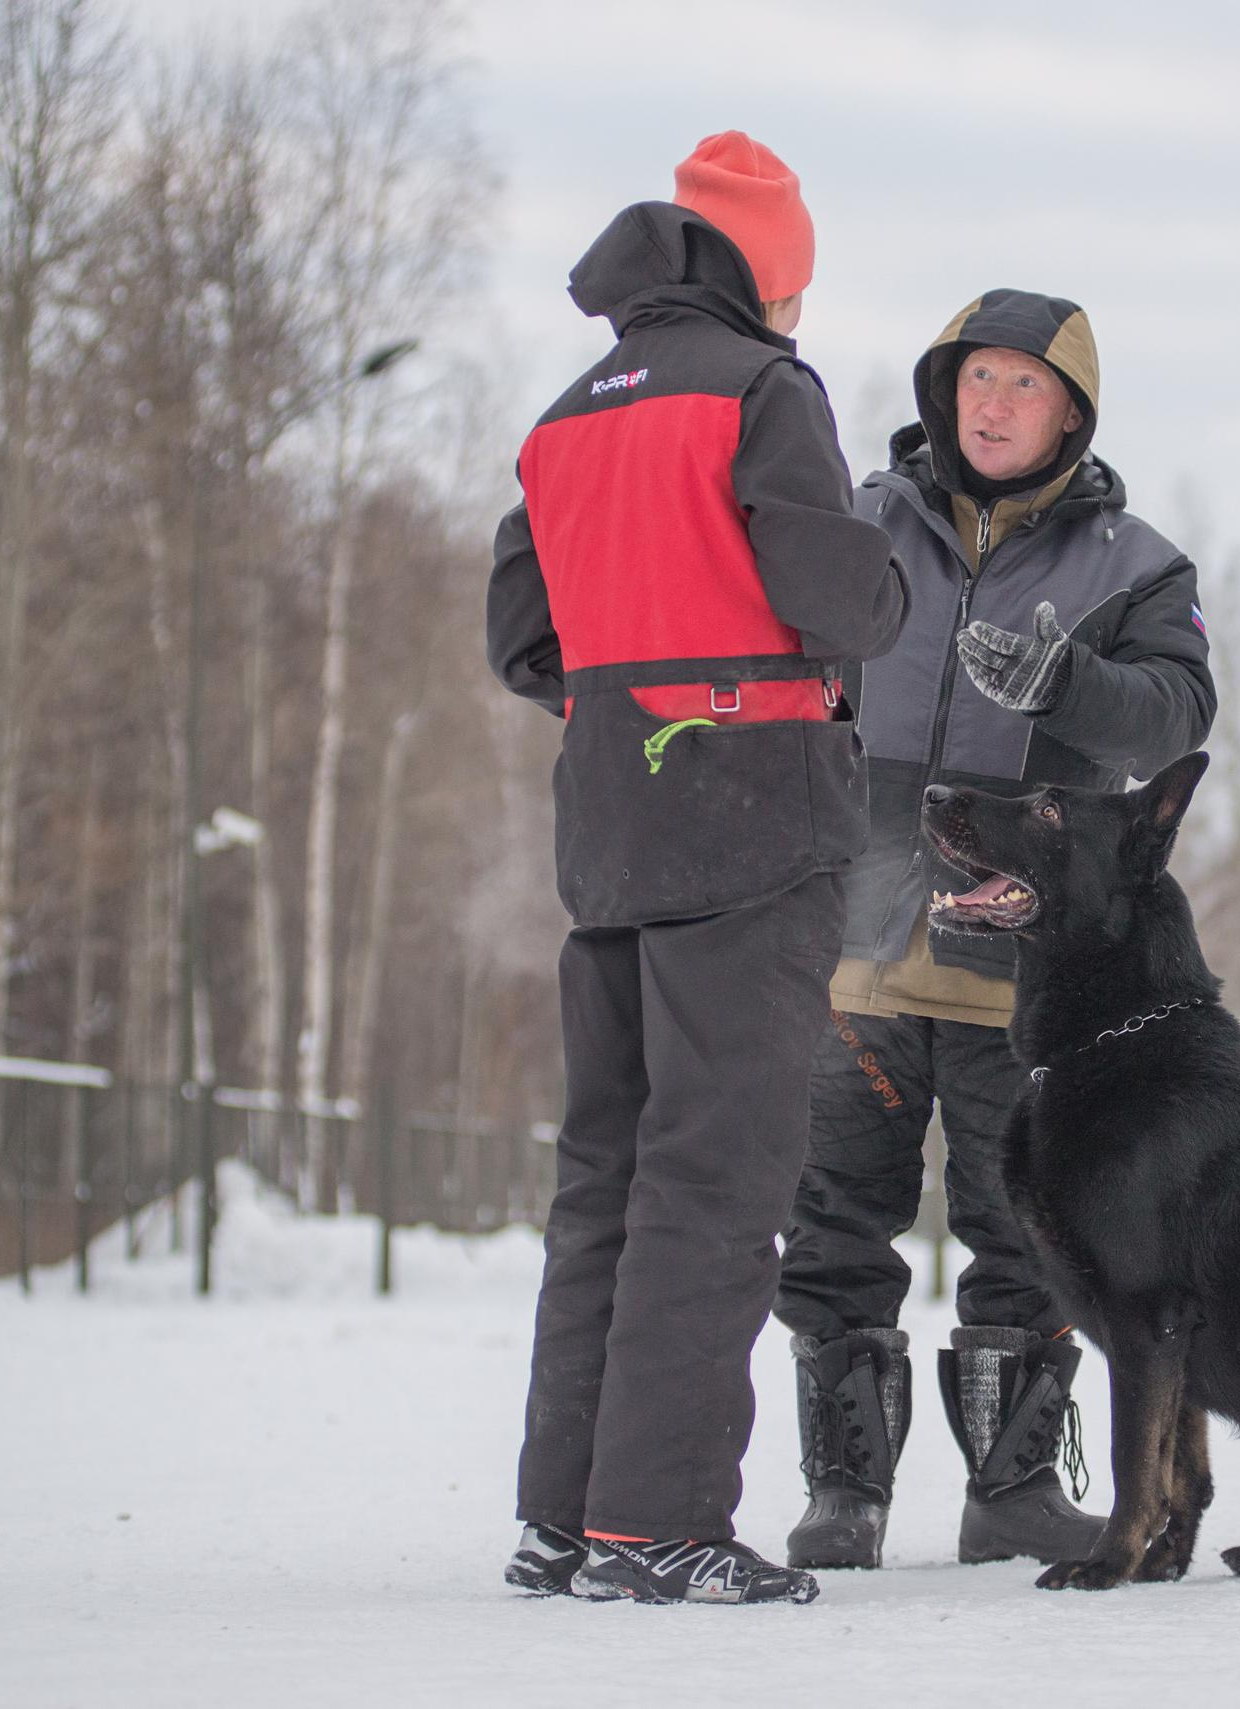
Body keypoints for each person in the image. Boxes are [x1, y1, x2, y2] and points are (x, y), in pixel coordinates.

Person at [485, 132, 908, 1606]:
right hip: (753, 827)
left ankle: (564, 1515)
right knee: (716, 1180)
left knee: (605, 1170)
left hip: (608, 824)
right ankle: (656, 1521)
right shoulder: (762, 390)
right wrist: (874, 556)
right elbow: (838, 596)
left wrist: (634, 687)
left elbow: (520, 639)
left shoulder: (564, 414)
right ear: (768, 269)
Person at [774, 290, 1216, 1569]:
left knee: (1024, 1232)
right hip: (852, 942)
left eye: (1024, 384)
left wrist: (1071, 683)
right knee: (835, 1221)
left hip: (1017, 972)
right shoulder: (858, 523)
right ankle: (843, 1493)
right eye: (976, 379)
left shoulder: (1137, 566)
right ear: (942, 392)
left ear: (1071, 411)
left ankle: (1011, 1489)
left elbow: (1173, 718)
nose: (994, 403)